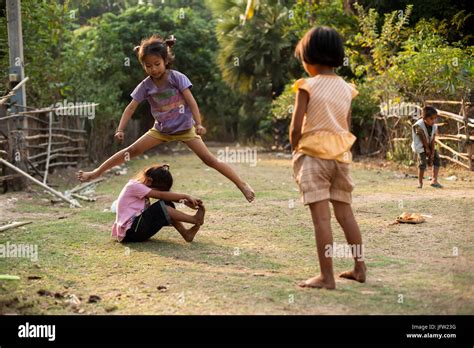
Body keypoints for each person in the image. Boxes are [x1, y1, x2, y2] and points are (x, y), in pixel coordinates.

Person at [77, 34, 255, 203]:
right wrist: (120, 129)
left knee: (210, 160)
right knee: (130, 151)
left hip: (185, 129)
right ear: (143, 66)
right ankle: (96, 172)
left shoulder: (176, 78)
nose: (153, 69)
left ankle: (242, 184)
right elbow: (131, 107)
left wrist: (199, 124)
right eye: (148, 66)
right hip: (161, 130)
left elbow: (191, 102)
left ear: (165, 61)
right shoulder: (145, 85)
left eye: (157, 64)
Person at [290, 26, 366, 289]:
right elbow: (345, 125)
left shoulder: (306, 86)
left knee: (322, 220)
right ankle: (359, 267)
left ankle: (327, 277)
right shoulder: (347, 88)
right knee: (346, 215)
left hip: (313, 156)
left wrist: (295, 148)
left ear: (309, 59)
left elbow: (296, 127)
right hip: (341, 157)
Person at [112, 163, 205, 243]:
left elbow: (166, 195)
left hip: (137, 230)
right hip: (131, 232)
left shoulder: (142, 185)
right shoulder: (134, 186)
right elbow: (161, 195)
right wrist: (185, 196)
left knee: (166, 203)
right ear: (149, 181)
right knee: (161, 207)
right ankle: (195, 220)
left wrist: (186, 202)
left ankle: (186, 233)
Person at [411, 106, 442, 188]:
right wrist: (427, 150)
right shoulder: (418, 125)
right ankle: (420, 183)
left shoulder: (434, 126)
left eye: (435, 118)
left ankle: (434, 180)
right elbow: (422, 138)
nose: (434, 121)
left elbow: (432, 140)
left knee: (436, 159)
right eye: (431, 118)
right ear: (424, 118)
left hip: (429, 145)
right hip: (420, 146)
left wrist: (432, 153)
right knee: (423, 163)